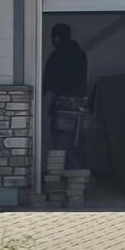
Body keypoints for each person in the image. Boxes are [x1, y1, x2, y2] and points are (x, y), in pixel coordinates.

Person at [43, 23, 90, 159]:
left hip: (61, 104)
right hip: (79, 105)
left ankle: (60, 174)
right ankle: (77, 173)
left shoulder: (56, 55)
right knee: (77, 141)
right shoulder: (81, 55)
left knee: (60, 143)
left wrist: (46, 99)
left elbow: (49, 82)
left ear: (56, 38)